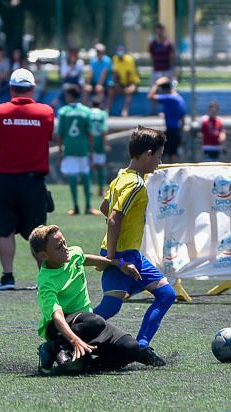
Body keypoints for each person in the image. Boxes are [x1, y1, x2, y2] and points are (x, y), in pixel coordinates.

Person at [29, 225, 165, 375]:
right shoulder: (45, 281)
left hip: (87, 323)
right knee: (95, 321)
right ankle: (52, 347)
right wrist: (74, 341)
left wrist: (118, 264)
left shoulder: (73, 254)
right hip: (59, 328)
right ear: (44, 255)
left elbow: (83, 258)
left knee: (131, 348)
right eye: (58, 247)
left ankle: (87, 366)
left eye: (64, 242)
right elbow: (57, 316)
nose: (65, 248)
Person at [91, 127, 174, 363]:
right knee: (110, 307)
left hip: (131, 254)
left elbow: (105, 208)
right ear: (148, 154)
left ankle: (141, 346)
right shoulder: (136, 184)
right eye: (158, 156)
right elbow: (114, 217)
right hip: (121, 254)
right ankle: (68, 336)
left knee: (166, 293)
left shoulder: (121, 176)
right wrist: (114, 259)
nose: (159, 162)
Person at [0, 68, 55, 290]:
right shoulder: (45, 112)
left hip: (5, 180)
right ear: (33, 88)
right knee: (39, 232)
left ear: (11, 88)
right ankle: (43, 278)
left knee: (5, 230)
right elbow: (48, 136)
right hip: (33, 181)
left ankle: (7, 276)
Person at [56, 84, 94, 216]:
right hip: (83, 149)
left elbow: (60, 134)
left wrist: (60, 151)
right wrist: (91, 152)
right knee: (86, 177)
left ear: (69, 96)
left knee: (72, 177)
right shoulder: (86, 111)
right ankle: (88, 206)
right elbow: (90, 133)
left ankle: (75, 206)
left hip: (70, 149)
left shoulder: (63, 112)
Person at [148, 77, 185, 163]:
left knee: (166, 154)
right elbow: (182, 117)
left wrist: (157, 84)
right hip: (176, 130)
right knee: (171, 153)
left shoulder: (170, 98)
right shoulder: (179, 98)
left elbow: (150, 96)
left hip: (172, 130)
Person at [149, 23, 176, 114]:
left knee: (167, 90)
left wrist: (172, 70)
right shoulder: (153, 44)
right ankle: (153, 111)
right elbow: (152, 56)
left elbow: (172, 57)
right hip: (156, 70)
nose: (159, 32)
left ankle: (167, 110)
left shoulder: (168, 44)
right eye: (157, 30)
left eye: (161, 30)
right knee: (154, 89)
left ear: (163, 31)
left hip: (167, 70)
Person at [107, 45, 139, 117]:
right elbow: (115, 73)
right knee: (111, 89)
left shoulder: (129, 59)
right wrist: (115, 84)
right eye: (118, 50)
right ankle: (107, 110)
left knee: (129, 91)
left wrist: (125, 87)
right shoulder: (115, 58)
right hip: (121, 83)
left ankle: (125, 111)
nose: (120, 52)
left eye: (121, 50)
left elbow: (128, 74)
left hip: (132, 82)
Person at [89, 97, 110, 197]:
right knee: (101, 167)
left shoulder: (88, 113)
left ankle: (89, 189)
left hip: (89, 143)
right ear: (100, 105)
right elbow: (103, 129)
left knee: (89, 167)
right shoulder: (102, 114)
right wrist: (105, 144)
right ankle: (101, 190)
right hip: (99, 143)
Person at [85, 43, 112, 108]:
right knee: (85, 89)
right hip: (94, 82)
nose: (98, 53)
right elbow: (90, 73)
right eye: (97, 51)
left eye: (100, 51)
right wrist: (88, 84)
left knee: (99, 89)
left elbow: (104, 74)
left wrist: (99, 84)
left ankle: (100, 108)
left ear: (103, 52)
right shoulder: (93, 61)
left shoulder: (107, 60)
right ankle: (86, 109)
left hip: (105, 83)